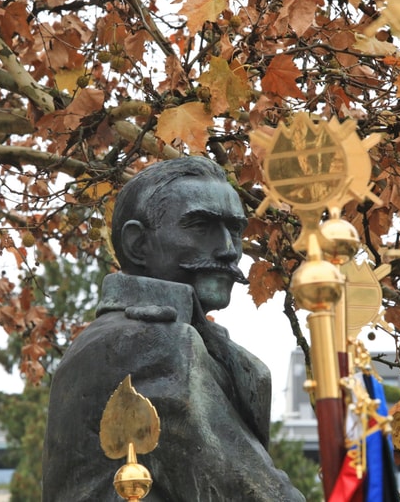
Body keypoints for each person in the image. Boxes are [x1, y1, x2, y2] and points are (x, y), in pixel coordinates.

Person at [42, 156, 305, 501]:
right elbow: (249, 490)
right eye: (201, 226)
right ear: (138, 244)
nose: (228, 250)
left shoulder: (159, 336)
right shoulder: (146, 341)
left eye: (235, 230)